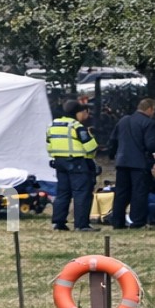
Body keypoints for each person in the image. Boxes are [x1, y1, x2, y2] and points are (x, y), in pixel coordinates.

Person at [46, 99, 99, 232]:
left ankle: (59, 222)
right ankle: (81, 225)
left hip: (59, 163)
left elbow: (48, 144)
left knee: (63, 193)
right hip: (77, 163)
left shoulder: (53, 124)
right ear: (78, 112)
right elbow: (91, 147)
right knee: (81, 193)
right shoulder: (76, 126)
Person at [109, 98, 155, 229]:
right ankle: (137, 221)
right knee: (139, 193)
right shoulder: (150, 123)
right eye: (153, 110)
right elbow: (151, 145)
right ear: (149, 109)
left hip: (122, 162)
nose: (153, 113)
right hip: (140, 163)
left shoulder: (123, 120)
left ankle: (117, 221)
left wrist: (113, 155)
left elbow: (113, 140)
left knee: (121, 192)